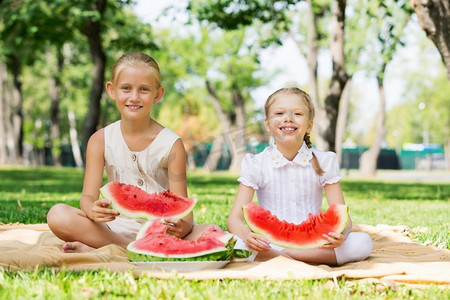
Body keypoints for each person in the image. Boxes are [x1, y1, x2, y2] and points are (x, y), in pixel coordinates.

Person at [47, 52, 205, 252]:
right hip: (111, 228)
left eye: (144, 90)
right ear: (111, 90)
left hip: (159, 230)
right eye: (126, 88)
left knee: (212, 231)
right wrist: (91, 209)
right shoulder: (100, 140)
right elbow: (87, 197)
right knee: (58, 215)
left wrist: (183, 226)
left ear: (158, 94)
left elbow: (185, 211)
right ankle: (134, 248)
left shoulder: (171, 144)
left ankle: (108, 248)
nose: (134, 97)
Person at [227, 87, 373, 265]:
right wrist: (247, 235)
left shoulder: (325, 161)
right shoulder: (256, 164)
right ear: (268, 125)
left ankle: (283, 257)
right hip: (269, 242)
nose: (288, 118)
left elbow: (343, 216)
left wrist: (340, 235)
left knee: (363, 242)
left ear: (309, 125)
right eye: (279, 113)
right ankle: (303, 258)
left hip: (314, 243)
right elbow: (234, 219)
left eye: (297, 113)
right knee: (235, 243)